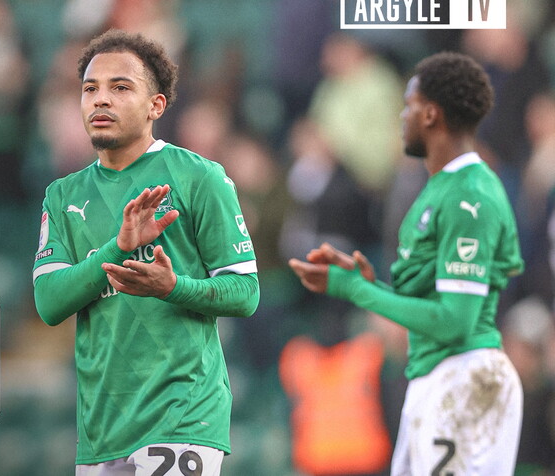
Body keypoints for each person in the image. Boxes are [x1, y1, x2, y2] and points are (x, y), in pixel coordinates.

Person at [32, 29, 260, 475]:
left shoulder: (200, 177)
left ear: (156, 105)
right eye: (90, 89)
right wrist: (118, 249)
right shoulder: (62, 195)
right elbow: (49, 303)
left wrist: (173, 287)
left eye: (120, 88)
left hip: (182, 416)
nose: (101, 99)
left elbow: (246, 291)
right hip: (101, 428)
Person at [289, 51, 524, 475]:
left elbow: (456, 321)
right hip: (434, 376)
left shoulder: (469, 196)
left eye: (408, 106)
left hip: (466, 379)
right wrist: (369, 286)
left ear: (431, 115)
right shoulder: (438, 186)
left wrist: (358, 291)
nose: (400, 117)